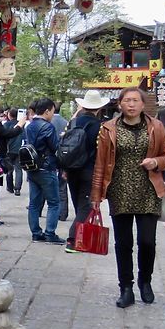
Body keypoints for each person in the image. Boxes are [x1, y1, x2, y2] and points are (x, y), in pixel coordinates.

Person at [91, 87, 165, 308]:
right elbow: (100, 163)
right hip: (120, 191)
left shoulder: (156, 126)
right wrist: (96, 194)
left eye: (136, 100)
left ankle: (146, 281)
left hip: (148, 191)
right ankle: (126, 287)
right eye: (127, 101)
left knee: (147, 241)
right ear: (120, 104)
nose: (132, 104)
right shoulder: (108, 129)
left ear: (143, 105)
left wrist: (156, 162)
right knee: (123, 243)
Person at [63, 90, 107, 252]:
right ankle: (73, 240)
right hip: (89, 171)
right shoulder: (101, 126)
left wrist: (65, 169)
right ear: (98, 108)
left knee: (78, 204)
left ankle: (82, 236)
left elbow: (65, 146)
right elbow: (100, 152)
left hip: (72, 170)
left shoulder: (72, 123)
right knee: (85, 207)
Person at [24, 98, 66, 244]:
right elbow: (55, 147)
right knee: (54, 202)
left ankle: (36, 233)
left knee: (34, 203)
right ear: (47, 111)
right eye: (52, 111)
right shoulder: (48, 127)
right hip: (46, 168)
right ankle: (50, 233)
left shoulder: (29, 126)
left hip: (32, 168)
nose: (53, 115)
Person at [51, 102, 70, 222]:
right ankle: (63, 213)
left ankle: (40, 208)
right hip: (64, 156)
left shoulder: (48, 123)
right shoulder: (66, 122)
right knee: (62, 186)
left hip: (51, 157)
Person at [0, 109, 24, 194]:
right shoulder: (21, 125)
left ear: (9, 115)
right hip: (18, 149)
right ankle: (18, 188)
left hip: (8, 150)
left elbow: (7, 134)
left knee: (9, 169)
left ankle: (10, 187)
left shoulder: (6, 124)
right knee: (18, 169)